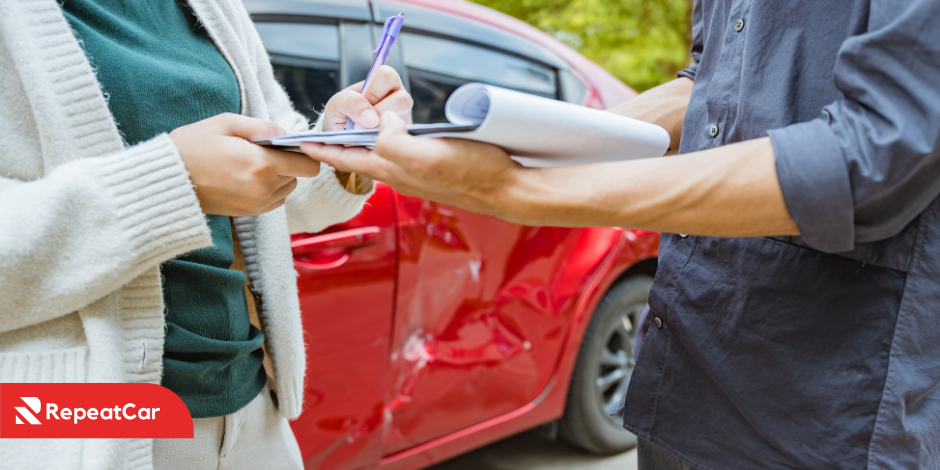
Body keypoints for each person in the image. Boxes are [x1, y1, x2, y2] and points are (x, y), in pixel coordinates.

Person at [303, 1, 940, 468]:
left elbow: (875, 152)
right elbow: (712, 86)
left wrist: (516, 191)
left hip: (822, 415)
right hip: (681, 379)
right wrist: (538, 143)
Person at [0, 0, 411, 469]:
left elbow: (267, 181)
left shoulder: (215, 6)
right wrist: (171, 183)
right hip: (70, 426)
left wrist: (340, 143)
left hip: (250, 404)